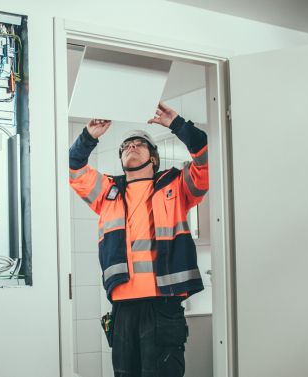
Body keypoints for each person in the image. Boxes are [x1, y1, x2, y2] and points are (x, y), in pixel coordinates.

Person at [69, 102, 209, 377]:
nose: (130, 147)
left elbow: (205, 158)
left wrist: (178, 124)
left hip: (163, 305)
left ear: (154, 158)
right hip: (122, 308)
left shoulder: (176, 185)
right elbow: (73, 167)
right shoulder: (107, 191)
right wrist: (88, 136)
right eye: (125, 146)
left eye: (139, 144)